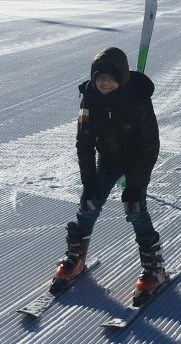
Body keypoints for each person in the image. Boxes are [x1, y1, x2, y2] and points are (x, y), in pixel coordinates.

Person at [52, 47, 166, 300]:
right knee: (87, 204)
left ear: (122, 78)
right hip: (108, 160)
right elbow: (84, 143)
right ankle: (76, 256)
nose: (105, 82)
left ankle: (154, 266)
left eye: (111, 78)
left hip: (136, 160)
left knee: (135, 207)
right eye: (100, 77)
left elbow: (149, 146)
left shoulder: (138, 100)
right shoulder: (89, 99)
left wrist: (135, 185)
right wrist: (89, 181)